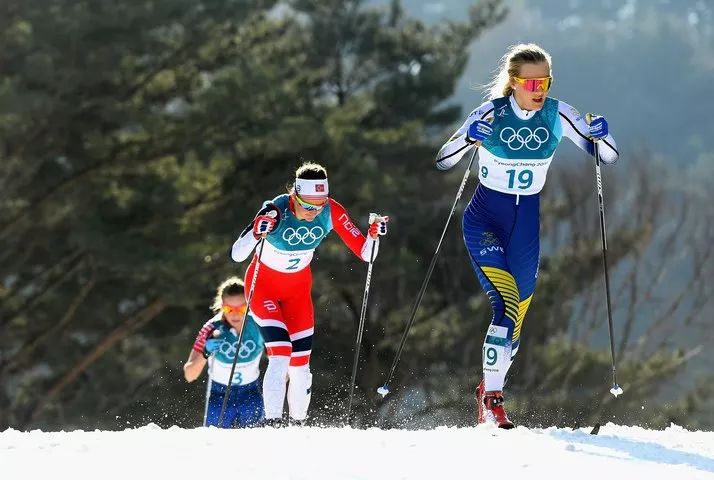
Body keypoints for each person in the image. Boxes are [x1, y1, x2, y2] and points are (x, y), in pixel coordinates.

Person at [435, 43, 619, 428]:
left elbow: (605, 155)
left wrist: (604, 136)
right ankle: (493, 399)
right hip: (485, 220)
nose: (539, 89)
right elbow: (443, 159)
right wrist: (469, 137)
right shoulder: (492, 112)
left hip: (526, 227)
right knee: (505, 305)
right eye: (531, 81)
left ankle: (489, 382)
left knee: (516, 321)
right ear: (513, 82)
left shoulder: (557, 114)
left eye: (545, 81)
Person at [231, 162, 388, 426]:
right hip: (263, 289)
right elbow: (237, 254)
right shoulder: (275, 210)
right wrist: (258, 231)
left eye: (320, 205)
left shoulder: (331, 210)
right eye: (309, 206)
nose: (315, 212)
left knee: (301, 364)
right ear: (295, 196)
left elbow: (366, 254)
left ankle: (298, 424)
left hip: (298, 291)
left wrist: (374, 236)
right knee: (280, 354)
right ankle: (271, 423)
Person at [183, 276, 265, 428]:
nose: (235, 314)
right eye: (229, 309)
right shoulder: (211, 328)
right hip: (219, 394)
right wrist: (205, 352)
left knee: (255, 441)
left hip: (251, 392)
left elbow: (279, 361)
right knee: (216, 441)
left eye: (241, 308)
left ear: (248, 305)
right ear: (221, 306)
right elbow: (189, 375)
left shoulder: (260, 324)